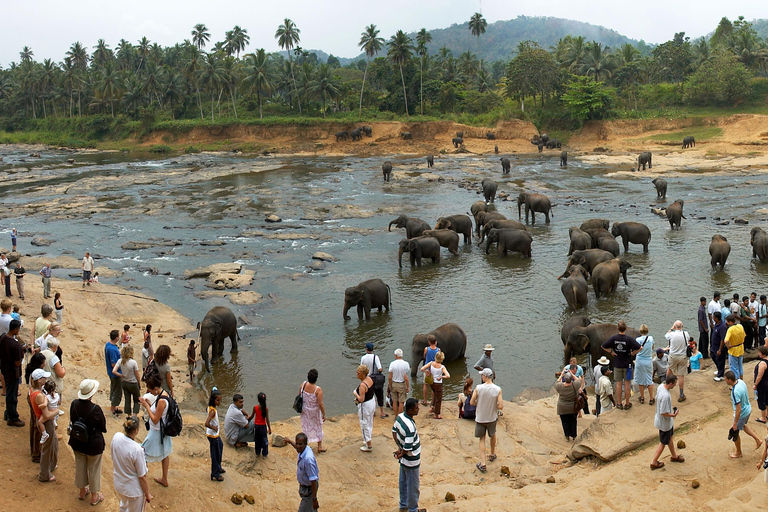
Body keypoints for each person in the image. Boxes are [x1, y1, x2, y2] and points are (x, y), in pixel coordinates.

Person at [69, 379, 107, 505]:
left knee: (80, 465)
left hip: (78, 441)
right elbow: (103, 427)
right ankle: (94, 496)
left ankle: (81, 491)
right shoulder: (96, 409)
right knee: (94, 469)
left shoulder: (74, 404)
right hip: (93, 444)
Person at [112, 415, 153, 512]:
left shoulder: (116, 437)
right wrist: (147, 494)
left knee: (123, 506)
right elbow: (142, 476)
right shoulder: (137, 449)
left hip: (119, 484)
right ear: (136, 431)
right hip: (133, 490)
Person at [392, 398, 425, 512]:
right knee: (413, 487)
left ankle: (403, 505)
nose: (418, 409)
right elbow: (408, 447)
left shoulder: (400, 417)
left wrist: (399, 448)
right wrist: (402, 452)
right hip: (412, 460)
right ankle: (413, 509)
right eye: (416, 408)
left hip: (404, 460)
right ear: (410, 410)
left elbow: (394, 431)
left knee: (403, 482)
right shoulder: (410, 427)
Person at [139, 374, 172, 487]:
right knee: (165, 453)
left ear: (156, 389)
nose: (150, 392)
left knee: (142, 453)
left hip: (156, 432)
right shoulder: (164, 394)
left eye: (151, 390)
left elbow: (154, 419)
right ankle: (164, 478)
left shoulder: (161, 400)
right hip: (163, 431)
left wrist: (146, 406)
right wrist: (149, 404)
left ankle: (142, 479)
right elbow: (160, 412)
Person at [602, 320, 641, 409]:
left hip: (617, 364)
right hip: (628, 364)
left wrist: (611, 352)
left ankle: (619, 403)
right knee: (627, 384)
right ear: (626, 328)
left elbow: (603, 346)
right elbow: (640, 347)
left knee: (618, 384)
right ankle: (627, 403)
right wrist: (633, 353)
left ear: (617, 328)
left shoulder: (614, 338)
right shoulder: (629, 339)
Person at [725, 370, 763, 458]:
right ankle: (758, 440)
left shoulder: (735, 392)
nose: (725, 381)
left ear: (730, 380)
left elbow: (738, 409)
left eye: (726, 379)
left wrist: (735, 423)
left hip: (742, 413)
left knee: (734, 432)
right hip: (748, 408)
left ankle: (738, 452)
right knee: (743, 426)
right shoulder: (741, 382)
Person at [470, 368, 503, 472]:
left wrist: (478, 404)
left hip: (481, 418)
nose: (481, 377)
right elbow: (501, 406)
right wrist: (494, 406)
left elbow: (472, 402)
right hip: (492, 417)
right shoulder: (498, 389)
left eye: (482, 375)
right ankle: (492, 454)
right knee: (492, 434)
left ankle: (483, 463)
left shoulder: (478, 388)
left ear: (485, 376)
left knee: (482, 439)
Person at [650, 374, 683, 469]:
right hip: (664, 422)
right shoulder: (666, 396)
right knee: (663, 442)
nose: (675, 385)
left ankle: (674, 456)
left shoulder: (661, 387)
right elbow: (663, 412)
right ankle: (654, 462)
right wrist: (673, 415)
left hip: (664, 422)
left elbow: (658, 401)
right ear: (671, 383)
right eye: (675, 383)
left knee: (669, 437)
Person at [31, 368, 58, 482]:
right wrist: (57, 411)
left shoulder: (33, 391)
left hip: (43, 421)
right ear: (39, 380)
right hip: (46, 423)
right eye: (43, 378)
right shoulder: (40, 396)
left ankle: (50, 466)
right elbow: (46, 415)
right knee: (47, 448)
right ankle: (44, 474)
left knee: (53, 443)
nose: (45, 380)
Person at [285, 433, 319, 512]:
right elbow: (297, 448)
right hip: (305, 488)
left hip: (309, 490)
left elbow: (313, 480)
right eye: (297, 443)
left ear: (305, 444)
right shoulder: (303, 450)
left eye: (300, 444)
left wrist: (314, 499)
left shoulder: (308, 460)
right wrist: (290, 441)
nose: (298, 446)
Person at [0, 319, 25, 426]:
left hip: (5, 369)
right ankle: (12, 417)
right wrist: (21, 351)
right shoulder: (15, 345)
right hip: (13, 372)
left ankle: (8, 412)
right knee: (12, 395)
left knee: (9, 393)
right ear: (15, 329)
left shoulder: (3, 337)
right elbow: (17, 363)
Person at [299, 369, 326, 453]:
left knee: (305, 427)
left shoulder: (303, 385)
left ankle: (305, 446)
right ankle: (319, 446)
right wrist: (324, 414)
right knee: (318, 427)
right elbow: (320, 403)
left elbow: (299, 396)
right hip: (314, 412)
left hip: (305, 410)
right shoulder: (317, 390)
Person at [26, 353, 46, 462]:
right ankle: (36, 453)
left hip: (31, 396)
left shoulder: (31, 371)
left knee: (34, 423)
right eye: (43, 363)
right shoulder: (35, 374)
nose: (44, 365)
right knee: (37, 425)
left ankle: (34, 450)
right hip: (34, 397)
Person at [664, 320, 690, 402]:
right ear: (682, 326)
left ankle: (666, 384)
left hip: (673, 356)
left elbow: (666, 335)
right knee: (681, 375)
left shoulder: (671, 334)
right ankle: (681, 394)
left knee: (670, 369)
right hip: (683, 356)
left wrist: (672, 328)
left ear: (675, 326)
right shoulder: (686, 334)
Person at [361, 342, 387, 419]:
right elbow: (380, 368)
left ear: (366, 349)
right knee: (379, 395)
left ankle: (373, 412)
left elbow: (361, 369)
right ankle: (382, 412)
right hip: (375, 378)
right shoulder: (376, 357)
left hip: (367, 379)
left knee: (370, 396)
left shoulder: (363, 358)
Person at [113, 344, 142, 415]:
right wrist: (139, 383)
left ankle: (129, 415)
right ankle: (134, 415)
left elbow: (114, 371)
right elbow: (137, 375)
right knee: (136, 399)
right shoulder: (133, 362)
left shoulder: (120, 361)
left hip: (124, 382)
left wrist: (121, 375)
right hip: (133, 383)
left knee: (127, 399)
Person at [421, 350, 450, 419]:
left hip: (432, 383)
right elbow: (448, 375)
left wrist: (427, 371)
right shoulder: (442, 367)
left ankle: (432, 406)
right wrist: (442, 377)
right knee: (438, 399)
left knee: (434, 394)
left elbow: (422, 368)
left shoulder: (431, 363)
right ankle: (437, 414)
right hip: (438, 383)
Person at [353, 364, 375, 452]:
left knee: (364, 423)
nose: (356, 374)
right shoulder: (369, 379)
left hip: (365, 405)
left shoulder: (362, 385)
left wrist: (355, 393)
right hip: (372, 402)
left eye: (358, 373)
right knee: (370, 421)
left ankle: (368, 444)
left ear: (362, 374)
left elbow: (361, 399)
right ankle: (367, 438)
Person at [555, 371, 581, 441]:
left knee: (565, 422)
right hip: (572, 407)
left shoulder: (560, 386)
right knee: (573, 421)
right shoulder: (575, 385)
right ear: (571, 379)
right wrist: (572, 374)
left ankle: (567, 435)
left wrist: (561, 375)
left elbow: (557, 382)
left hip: (562, 407)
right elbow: (579, 380)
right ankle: (574, 436)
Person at [205, 388, 224, 481]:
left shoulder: (210, 408)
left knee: (220, 447)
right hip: (213, 435)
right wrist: (214, 428)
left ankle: (218, 467)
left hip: (215, 435)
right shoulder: (212, 411)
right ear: (213, 400)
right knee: (215, 454)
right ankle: (215, 473)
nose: (219, 402)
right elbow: (206, 423)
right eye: (218, 400)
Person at [635, 325, 656, 405]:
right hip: (648, 360)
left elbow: (636, 349)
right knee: (649, 380)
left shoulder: (637, 340)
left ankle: (642, 398)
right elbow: (652, 347)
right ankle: (651, 398)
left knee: (641, 380)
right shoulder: (650, 338)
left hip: (640, 360)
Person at [388, 348, 411, 416]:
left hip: (394, 383)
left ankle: (395, 416)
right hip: (402, 383)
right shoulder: (405, 364)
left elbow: (390, 377)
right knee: (401, 401)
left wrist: (390, 385)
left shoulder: (392, 364)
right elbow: (406, 378)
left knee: (394, 401)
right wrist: (407, 387)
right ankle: (400, 416)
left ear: (395, 355)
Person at [105, 330, 123, 415]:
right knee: (117, 391)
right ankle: (113, 409)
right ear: (116, 338)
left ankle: (114, 406)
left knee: (114, 388)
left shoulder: (108, 345)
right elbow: (113, 364)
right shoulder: (112, 349)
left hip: (111, 372)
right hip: (115, 374)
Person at [725, 314, 746, 380]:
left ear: (730, 322)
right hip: (740, 347)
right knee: (740, 365)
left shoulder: (730, 329)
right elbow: (744, 335)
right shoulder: (740, 326)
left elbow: (726, 341)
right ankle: (741, 378)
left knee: (734, 367)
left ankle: (736, 381)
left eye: (727, 322)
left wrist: (728, 346)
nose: (727, 323)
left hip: (733, 349)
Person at [251, 392, 271, 458]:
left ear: (258, 400)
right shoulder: (266, 409)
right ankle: (264, 454)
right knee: (264, 439)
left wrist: (247, 418)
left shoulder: (255, 407)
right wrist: (269, 428)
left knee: (257, 439)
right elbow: (267, 419)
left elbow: (252, 416)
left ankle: (257, 453)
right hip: (263, 426)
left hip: (256, 426)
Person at [420, 335, 438, 406]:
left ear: (429, 342)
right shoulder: (438, 350)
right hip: (435, 369)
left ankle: (425, 400)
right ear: (435, 342)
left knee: (425, 384)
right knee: (433, 385)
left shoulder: (426, 349)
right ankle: (432, 401)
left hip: (427, 369)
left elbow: (424, 356)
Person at [712, 311, 728, 382]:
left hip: (719, 347)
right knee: (713, 356)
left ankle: (720, 375)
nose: (713, 318)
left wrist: (720, 350)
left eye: (714, 317)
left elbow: (722, 339)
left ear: (716, 318)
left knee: (720, 360)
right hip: (714, 346)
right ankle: (719, 369)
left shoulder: (722, 327)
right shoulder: (716, 324)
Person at [754, 346, 768, 424]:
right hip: (767, 383)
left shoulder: (763, 363)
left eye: (759, 352)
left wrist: (755, 384)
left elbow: (760, 375)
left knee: (761, 400)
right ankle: (767, 414)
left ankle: (763, 417)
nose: (758, 353)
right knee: (767, 399)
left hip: (762, 384)